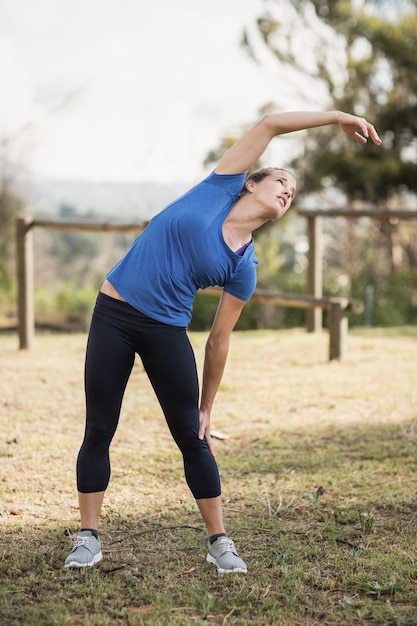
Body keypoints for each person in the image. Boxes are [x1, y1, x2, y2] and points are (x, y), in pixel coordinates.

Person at [64, 110, 381, 574]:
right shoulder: (220, 186)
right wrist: (336, 117)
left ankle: (220, 541)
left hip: (165, 331)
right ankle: (88, 538)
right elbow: (270, 124)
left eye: (292, 194)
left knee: (195, 438)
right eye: (281, 182)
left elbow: (219, 341)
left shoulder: (244, 266)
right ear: (252, 183)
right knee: (99, 428)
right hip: (113, 313)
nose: (288, 192)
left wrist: (207, 406)